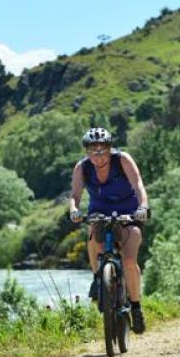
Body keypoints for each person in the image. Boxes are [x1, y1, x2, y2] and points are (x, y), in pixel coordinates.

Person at [69, 127, 149, 334]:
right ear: (87, 152)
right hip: (100, 213)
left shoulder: (122, 160)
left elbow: (138, 184)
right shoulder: (82, 168)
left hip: (129, 213)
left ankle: (136, 306)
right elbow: (75, 194)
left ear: (110, 148)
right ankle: (98, 278)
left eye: (103, 150)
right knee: (93, 239)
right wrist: (74, 210)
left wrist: (143, 207)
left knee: (130, 260)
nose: (99, 156)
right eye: (93, 151)